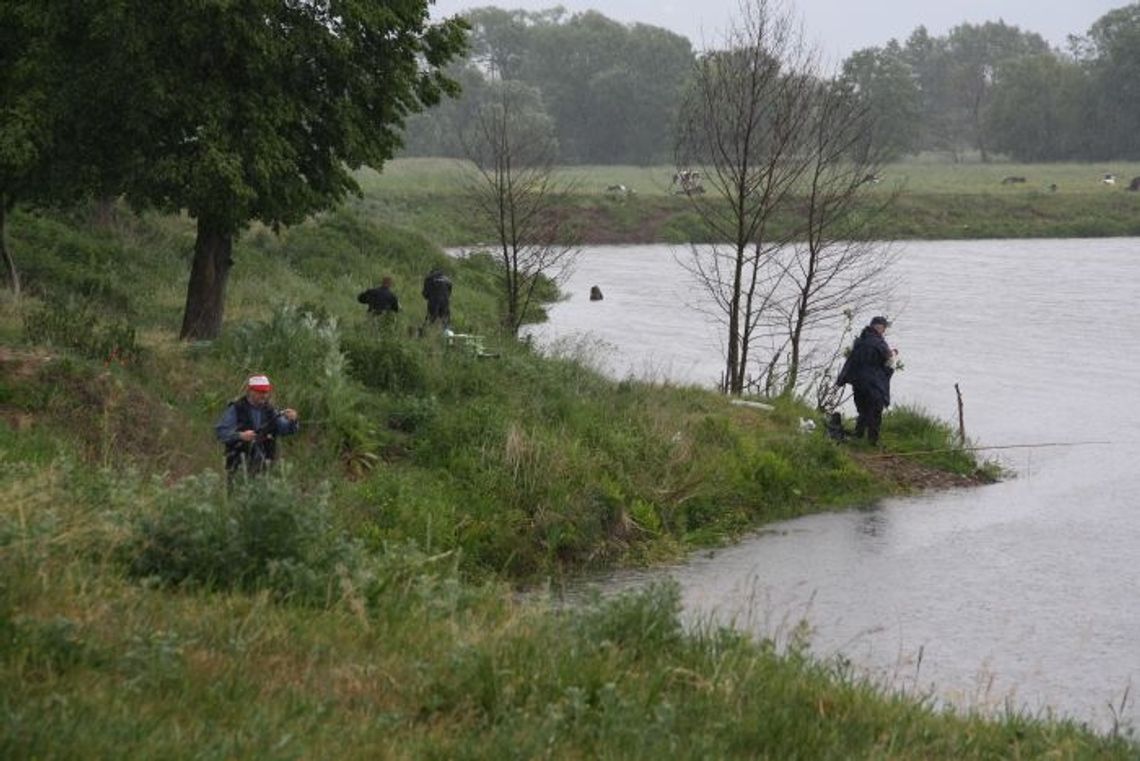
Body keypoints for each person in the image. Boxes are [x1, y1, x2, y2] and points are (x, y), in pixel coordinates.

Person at [215, 374, 299, 478]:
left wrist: (292, 420)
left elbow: (284, 429)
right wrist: (240, 436)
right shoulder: (236, 408)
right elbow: (221, 432)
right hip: (239, 466)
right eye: (260, 392)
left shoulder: (270, 410)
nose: (264, 395)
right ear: (250, 391)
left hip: (266, 466)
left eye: (266, 392)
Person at [836, 316, 897, 445]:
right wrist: (893, 355)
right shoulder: (879, 343)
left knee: (862, 409)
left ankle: (858, 434)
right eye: (884, 328)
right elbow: (888, 360)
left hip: (858, 381)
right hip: (873, 382)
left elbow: (851, 360)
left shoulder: (860, 340)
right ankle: (872, 441)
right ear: (879, 327)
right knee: (875, 411)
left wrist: (843, 378)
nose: (884, 331)